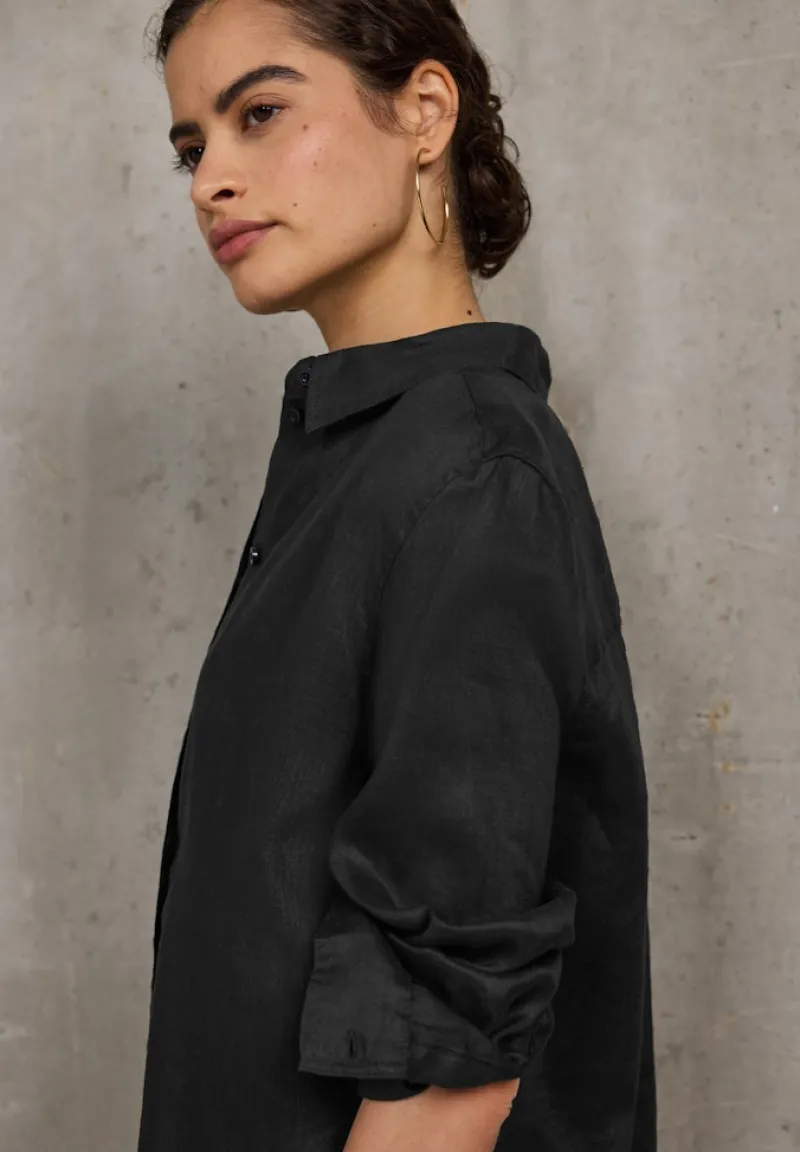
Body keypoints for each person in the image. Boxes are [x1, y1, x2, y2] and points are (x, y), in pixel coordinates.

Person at [137, 1, 657, 1149]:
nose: (210, 181)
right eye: (190, 146)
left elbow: (446, 1065)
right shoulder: (366, 456)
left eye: (258, 114)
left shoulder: (467, 469)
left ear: (422, 111)